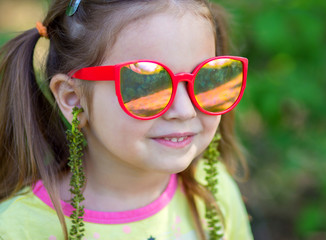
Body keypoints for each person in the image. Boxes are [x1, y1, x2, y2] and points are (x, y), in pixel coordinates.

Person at [0, 0, 253, 239]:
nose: (185, 110)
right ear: (73, 98)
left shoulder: (214, 190)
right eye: (147, 84)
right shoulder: (20, 230)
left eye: (208, 78)